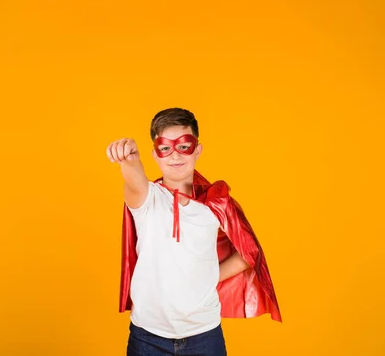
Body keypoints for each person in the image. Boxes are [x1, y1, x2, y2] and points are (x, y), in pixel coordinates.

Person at [107, 108, 281, 356]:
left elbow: (248, 251)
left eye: (184, 146)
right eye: (165, 148)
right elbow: (134, 178)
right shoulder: (147, 198)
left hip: (204, 335)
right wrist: (129, 156)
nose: (175, 155)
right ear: (155, 154)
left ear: (197, 150)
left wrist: (209, 276)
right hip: (147, 337)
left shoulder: (216, 203)